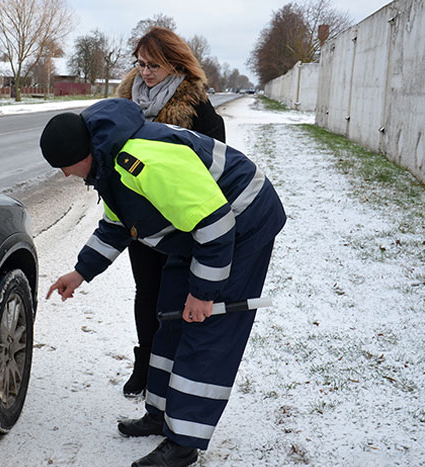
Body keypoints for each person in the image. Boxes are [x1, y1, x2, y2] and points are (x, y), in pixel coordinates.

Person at [40, 98, 285, 467]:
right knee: (170, 313)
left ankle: (184, 442)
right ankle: (160, 413)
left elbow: (216, 226)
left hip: (241, 221)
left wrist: (204, 294)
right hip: (197, 231)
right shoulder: (108, 165)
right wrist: (80, 272)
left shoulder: (143, 161)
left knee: (205, 325)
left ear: (84, 153)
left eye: (65, 166)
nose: (64, 175)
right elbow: (116, 225)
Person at [116, 27, 226, 397]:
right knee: (145, 291)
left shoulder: (197, 106)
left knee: (174, 296)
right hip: (139, 216)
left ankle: (173, 368)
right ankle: (145, 364)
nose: (145, 72)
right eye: (141, 64)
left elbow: (214, 166)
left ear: (175, 64)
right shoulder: (124, 102)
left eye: (154, 65)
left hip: (180, 222)